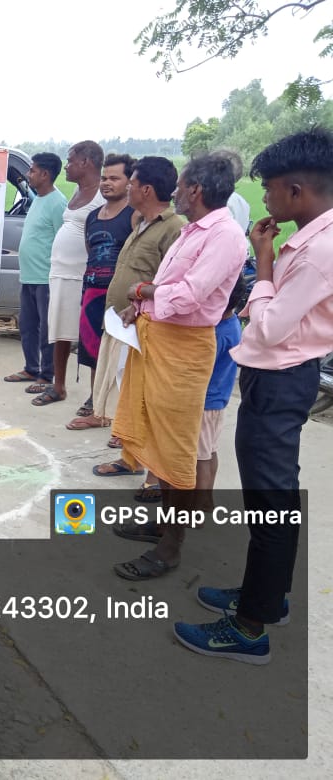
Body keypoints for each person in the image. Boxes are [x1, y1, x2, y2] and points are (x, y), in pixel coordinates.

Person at [175, 128, 333, 664]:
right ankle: (267, 597)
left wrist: (262, 261)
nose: (263, 198)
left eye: (269, 189)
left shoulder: (317, 252)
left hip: (281, 379)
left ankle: (249, 629)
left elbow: (266, 328)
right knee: (273, 499)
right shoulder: (310, 238)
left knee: (271, 506)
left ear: (296, 191)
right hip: (281, 377)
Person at [109, 153, 247, 581]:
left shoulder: (224, 235)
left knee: (178, 451)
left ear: (195, 190)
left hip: (184, 351)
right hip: (159, 341)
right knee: (158, 442)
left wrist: (142, 291)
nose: (174, 192)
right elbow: (171, 289)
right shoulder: (193, 230)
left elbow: (188, 295)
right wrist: (140, 307)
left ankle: (170, 548)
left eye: (180, 185)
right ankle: (163, 525)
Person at [88, 157, 184, 475]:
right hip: (124, 321)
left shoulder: (174, 229)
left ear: (146, 189)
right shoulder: (140, 222)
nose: (127, 188)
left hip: (145, 327)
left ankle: (150, 469)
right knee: (128, 395)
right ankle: (129, 458)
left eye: (131, 183)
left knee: (145, 398)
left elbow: (171, 283)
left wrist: (140, 300)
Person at [33, 141, 105, 407]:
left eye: (71, 160)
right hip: (61, 272)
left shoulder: (102, 195)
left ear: (86, 162)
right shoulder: (77, 191)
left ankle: (95, 396)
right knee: (59, 331)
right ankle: (58, 386)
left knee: (91, 337)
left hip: (83, 275)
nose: (66, 166)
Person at [66, 154, 135, 423]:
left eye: (114, 178)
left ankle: (119, 408)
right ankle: (96, 400)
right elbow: (90, 250)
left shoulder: (134, 216)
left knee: (119, 353)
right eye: (104, 178)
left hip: (119, 296)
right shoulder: (93, 216)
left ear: (130, 182)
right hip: (92, 291)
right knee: (93, 349)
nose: (107, 183)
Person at [3, 153, 66, 387]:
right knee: (28, 326)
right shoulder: (38, 198)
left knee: (46, 330)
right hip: (29, 276)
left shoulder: (58, 204)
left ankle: (46, 376)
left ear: (45, 174)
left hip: (45, 277)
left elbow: (62, 241)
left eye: (33, 171)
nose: (29, 175)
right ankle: (31, 368)